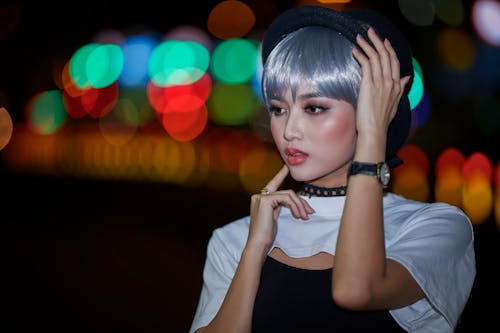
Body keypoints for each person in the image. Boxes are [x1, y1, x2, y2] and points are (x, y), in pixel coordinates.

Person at [189, 5, 476, 333]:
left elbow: (356, 290)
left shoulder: (434, 227)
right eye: (278, 109)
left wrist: (372, 137)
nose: (288, 130)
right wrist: (254, 249)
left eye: (314, 107)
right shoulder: (236, 238)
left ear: (374, 110)